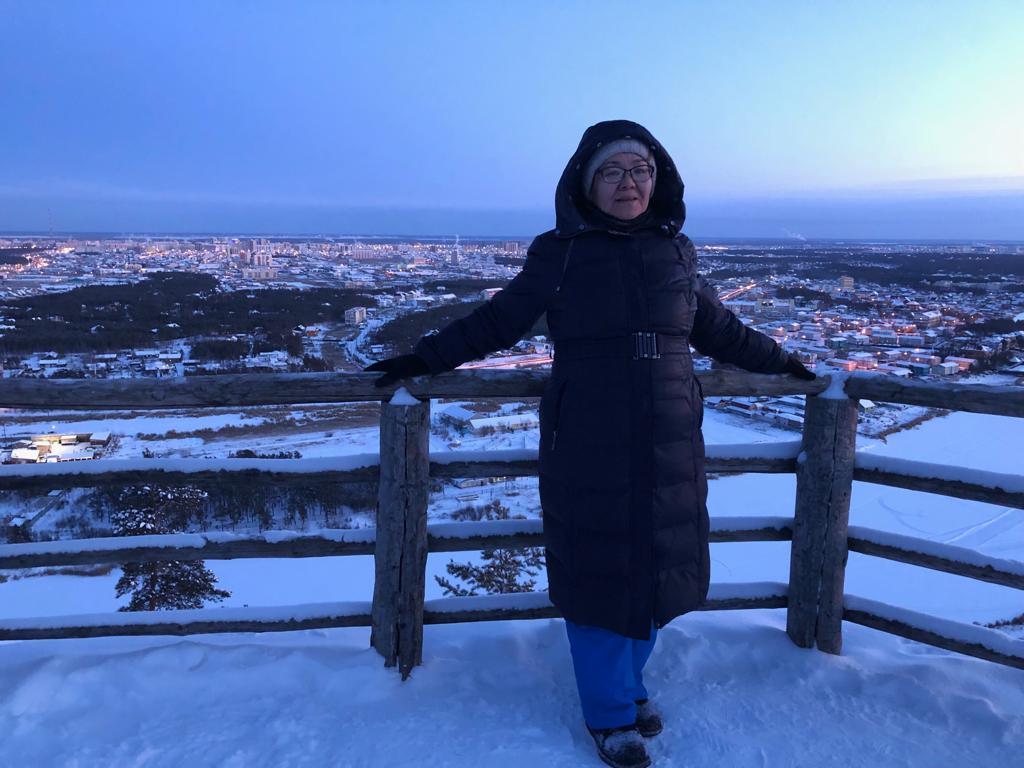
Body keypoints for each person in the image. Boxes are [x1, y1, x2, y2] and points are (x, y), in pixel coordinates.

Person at [365, 119, 815, 768]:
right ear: (585, 183)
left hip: (670, 437)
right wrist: (423, 358)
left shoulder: (676, 252)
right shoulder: (561, 252)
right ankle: (609, 714)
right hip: (588, 436)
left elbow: (719, 329)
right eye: (612, 171)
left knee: (659, 568)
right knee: (599, 569)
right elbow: (498, 320)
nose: (629, 183)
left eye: (641, 171)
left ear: (659, 181)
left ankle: (629, 687)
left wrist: (783, 362)